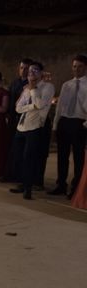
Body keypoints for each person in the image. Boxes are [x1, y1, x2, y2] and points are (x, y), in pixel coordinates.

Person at [8, 62, 54, 199]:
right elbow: (18, 108)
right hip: (21, 126)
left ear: (41, 73)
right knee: (20, 157)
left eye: (35, 70)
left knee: (30, 158)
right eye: (30, 70)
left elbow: (40, 104)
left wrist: (33, 88)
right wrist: (31, 106)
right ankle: (22, 183)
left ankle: (28, 188)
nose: (31, 72)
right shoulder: (26, 88)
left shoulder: (47, 87)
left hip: (35, 127)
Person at [49, 54, 87, 198]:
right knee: (62, 156)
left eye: (80, 66)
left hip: (79, 122)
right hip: (65, 121)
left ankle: (75, 188)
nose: (76, 69)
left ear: (85, 68)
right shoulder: (67, 85)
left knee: (78, 158)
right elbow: (59, 107)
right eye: (74, 66)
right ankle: (61, 185)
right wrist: (55, 126)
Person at [4, 58, 34, 181]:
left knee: (21, 149)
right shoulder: (15, 83)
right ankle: (10, 173)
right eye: (21, 68)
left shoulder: (31, 84)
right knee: (11, 148)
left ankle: (20, 176)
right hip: (12, 119)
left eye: (26, 68)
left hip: (24, 120)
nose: (23, 71)